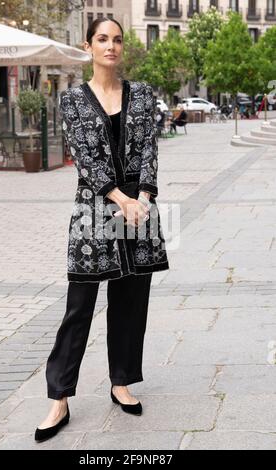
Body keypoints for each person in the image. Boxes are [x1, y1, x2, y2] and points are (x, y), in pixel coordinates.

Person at [34, 17, 170, 443]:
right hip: (95, 209)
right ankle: (59, 397)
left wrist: (143, 197)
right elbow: (84, 156)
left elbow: (149, 147)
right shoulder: (73, 100)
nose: (110, 46)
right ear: (88, 45)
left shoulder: (144, 95)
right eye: (102, 39)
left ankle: (121, 381)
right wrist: (120, 198)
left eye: (116, 40)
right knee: (79, 305)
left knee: (131, 301)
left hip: (139, 208)